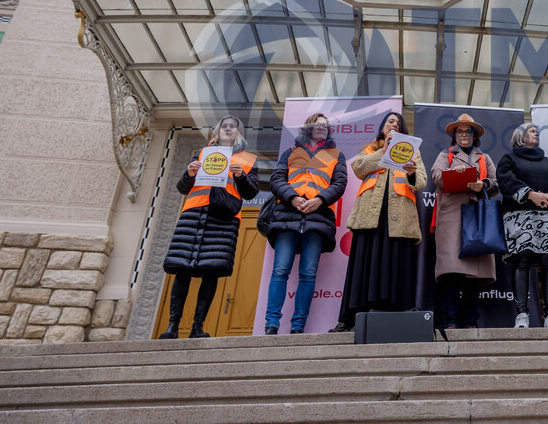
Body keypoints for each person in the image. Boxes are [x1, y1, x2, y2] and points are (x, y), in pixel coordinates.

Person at [160, 116, 258, 339]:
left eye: (233, 126)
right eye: (224, 126)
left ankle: (197, 327)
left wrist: (241, 175)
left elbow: (251, 193)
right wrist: (190, 174)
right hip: (194, 213)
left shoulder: (249, 159)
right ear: (218, 131)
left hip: (224, 217)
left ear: (239, 133)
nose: (228, 129)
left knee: (211, 272)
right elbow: (183, 187)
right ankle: (172, 327)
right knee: (182, 270)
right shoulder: (202, 153)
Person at [331, 111, 427, 332]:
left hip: (399, 217)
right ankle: (351, 317)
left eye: (398, 122)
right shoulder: (370, 147)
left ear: (403, 130)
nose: (393, 124)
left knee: (394, 264)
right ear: (383, 127)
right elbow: (358, 168)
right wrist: (383, 152)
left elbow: (421, 181)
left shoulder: (413, 152)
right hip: (369, 216)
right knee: (363, 266)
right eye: (389, 121)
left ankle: (394, 315)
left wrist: (411, 172)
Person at [263, 113, 347, 334]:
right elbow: (277, 179)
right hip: (286, 216)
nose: (322, 127)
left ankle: (298, 326)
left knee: (308, 274)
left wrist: (319, 200)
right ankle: (271, 324)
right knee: (279, 271)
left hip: (317, 219)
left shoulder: (336, 155)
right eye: (318, 124)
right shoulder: (290, 153)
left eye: (325, 125)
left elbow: (340, 183)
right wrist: (293, 197)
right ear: (308, 127)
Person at [497, 123, 548, 328]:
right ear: (519, 136)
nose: (536, 133)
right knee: (523, 260)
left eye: (537, 132)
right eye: (531, 131)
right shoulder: (509, 159)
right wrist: (531, 195)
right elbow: (505, 180)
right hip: (520, 218)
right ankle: (522, 315)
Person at [431, 113, 498, 329]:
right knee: (451, 272)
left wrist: (483, 184)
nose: (463, 135)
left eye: (467, 131)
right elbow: (436, 177)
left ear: (474, 135)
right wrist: (454, 173)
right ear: (454, 136)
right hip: (451, 217)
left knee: (474, 274)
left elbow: (497, 184)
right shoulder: (445, 155)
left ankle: (470, 321)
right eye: (459, 131)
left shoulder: (485, 158)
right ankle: (450, 320)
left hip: (477, 216)